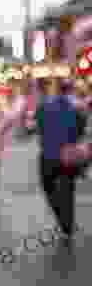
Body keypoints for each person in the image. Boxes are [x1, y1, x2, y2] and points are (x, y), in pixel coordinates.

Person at [35, 73, 87, 244]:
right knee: (68, 190)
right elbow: (80, 132)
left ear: (57, 90)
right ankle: (68, 225)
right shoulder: (79, 108)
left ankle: (61, 217)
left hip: (48, 156)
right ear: (71, 90)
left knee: (48, 187)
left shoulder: (43, 107)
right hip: (68, 155)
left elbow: (39, 128)